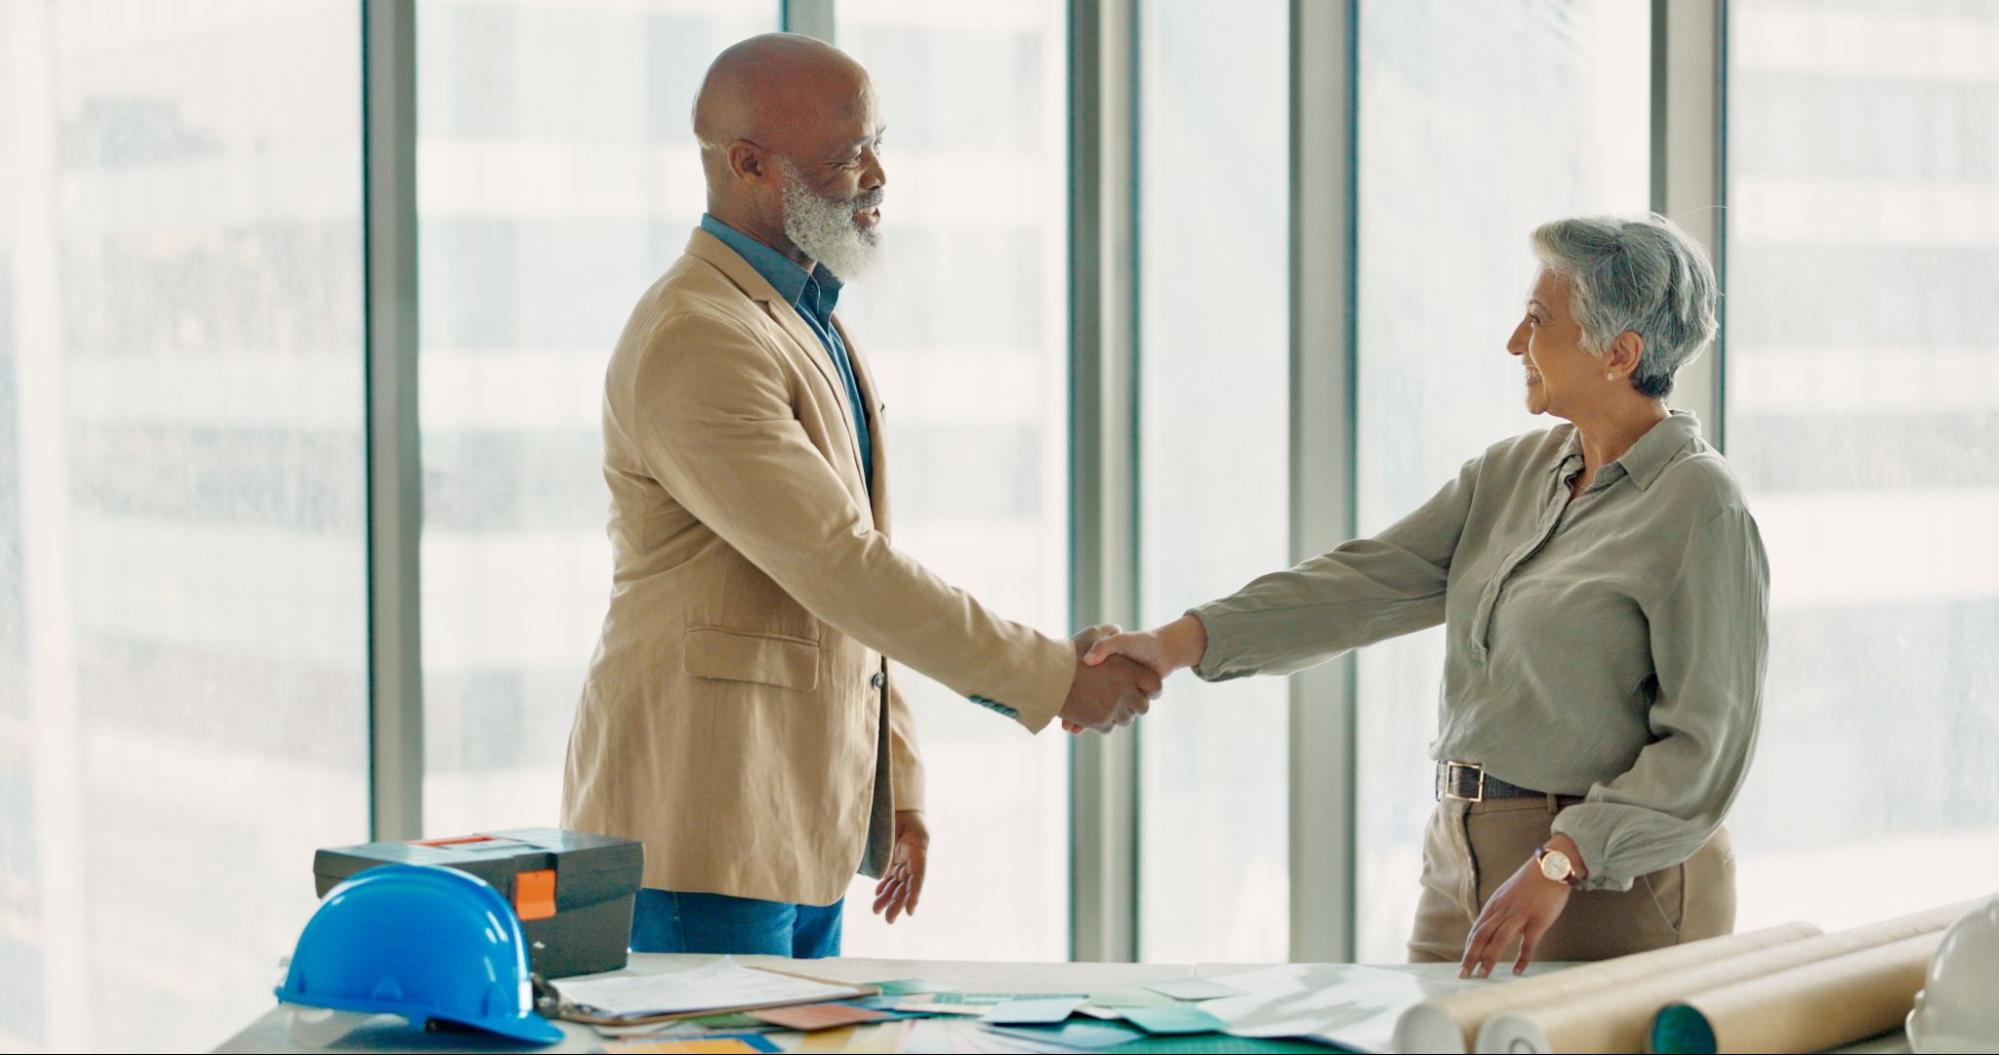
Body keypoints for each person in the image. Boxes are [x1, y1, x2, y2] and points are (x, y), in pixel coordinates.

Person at [560, 33, 1160, 959]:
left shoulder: (809, 323)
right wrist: (1055, 677)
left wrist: (898, 791)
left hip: (801, 827)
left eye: (877, 142)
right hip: (696, 836)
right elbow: (840, 565)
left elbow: (848, 589)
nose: (876, 173)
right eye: (846, 155)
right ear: (748, 164)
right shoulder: (697, 336)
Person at [1083, 214, 1767, 977]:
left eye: (1538, 320)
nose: (1514, 341)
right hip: (1459, 861)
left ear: (1620, 352)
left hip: (1606, 885)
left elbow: (1705, 749)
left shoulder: (1699, 503)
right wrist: (1175, 643)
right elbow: (1362, 583)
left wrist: (1562, 860)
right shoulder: (1509, 473)